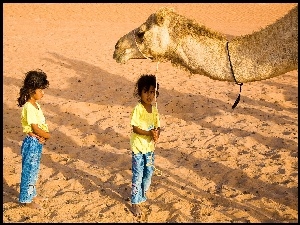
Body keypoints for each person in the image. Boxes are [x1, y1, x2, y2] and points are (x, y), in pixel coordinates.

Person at [17, 69, 50, 209]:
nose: (42, 93)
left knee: (34, 170)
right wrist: (47, 135)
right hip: (32, 143)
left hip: (37, 142)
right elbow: (35, 128)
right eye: (40, 90)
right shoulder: (29, 107)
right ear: (31, 90)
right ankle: (26, 199)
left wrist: (42, 137)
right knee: (29, 171)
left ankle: (32, 193)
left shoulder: (36, 105)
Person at [130, 74, 161, 217]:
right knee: (138, 175)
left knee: (148, 175)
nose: (149, 95)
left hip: (149, 150)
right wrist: (149, 133)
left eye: (152, 92)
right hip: (138, 148)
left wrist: (156, 134)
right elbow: (135, 128)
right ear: (140, 93)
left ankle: (141, 196)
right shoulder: (138, 108)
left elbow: (157, 127)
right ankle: (135, 202)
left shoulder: (155, 110)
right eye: (146, 91)